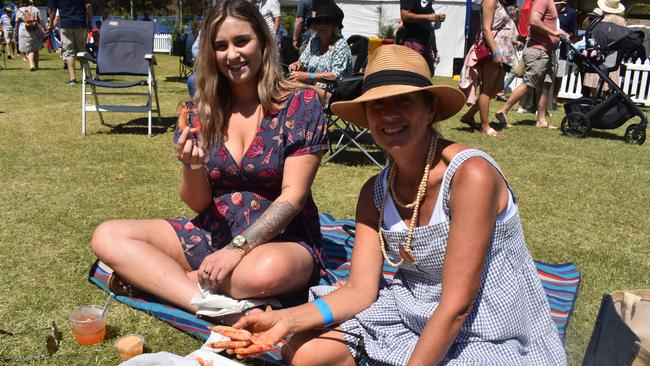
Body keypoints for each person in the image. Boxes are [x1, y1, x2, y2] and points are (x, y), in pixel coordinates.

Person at [231, 45, 567, 365]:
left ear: (430, 108)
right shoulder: (375, 193)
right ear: (365, 114)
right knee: (303, 351)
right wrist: (283, 319)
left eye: (403, 101)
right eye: (377, 104)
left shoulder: (470, 175)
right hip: (410, 310)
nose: (389, 114)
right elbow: (361, 291)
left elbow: (457, 306)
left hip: (486, 322)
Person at [91, 0, 329, 316]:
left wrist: (237, 250)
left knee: (265, 272)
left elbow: (293, 198)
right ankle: (210, 302)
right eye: (221, 46)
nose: (232, 54)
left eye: (242, 41)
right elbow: (199, 204)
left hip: (281, 240)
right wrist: (191, 165)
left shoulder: (300, 104)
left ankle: (162, 282)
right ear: (210, 54)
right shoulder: (199, 112)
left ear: (263, 41)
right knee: (108, 236)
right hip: (214, 228)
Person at [494, 0, 567, 129]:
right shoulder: (543, 0)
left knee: (546, 85)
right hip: (538, 51)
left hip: (547, 51)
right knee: (529, 83)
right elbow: (534, 21)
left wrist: (558, 31)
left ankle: (541, 120)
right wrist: (553, 32)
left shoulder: (550, 2)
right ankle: (502, 111)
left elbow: (545, 23)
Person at [459, 0, 516, 136]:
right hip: (492, 49)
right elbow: (486, 28)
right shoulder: (491, 1)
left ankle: (469, 116)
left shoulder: (504, 3)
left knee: (497, 88)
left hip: (503, 50)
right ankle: (485, 126)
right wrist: (496, 52)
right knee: (487, 88)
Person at [288, 3, 352, 104]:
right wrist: (296, 65)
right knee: (286, 87)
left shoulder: (340, 45)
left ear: (333, 26)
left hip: (335, 93)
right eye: (319, 22)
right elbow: (302, 61)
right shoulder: (314, 40)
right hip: (313, 88)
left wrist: (308, 76)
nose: (322, 25)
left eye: (327, 22)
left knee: (296, 89)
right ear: (315, 26)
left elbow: (335, 75)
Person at [48, 0, 93, 84]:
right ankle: (85, 76)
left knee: (68, 51)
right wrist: (90, 20)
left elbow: (53, 9)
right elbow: (88, 6)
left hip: (66, 24)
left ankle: (73, 78)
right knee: (82, 50)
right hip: (80, 23)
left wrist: (50, 24)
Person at [400, 0, 445, 76]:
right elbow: (404, 15)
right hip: (413, 43)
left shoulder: (428, 3)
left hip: (426, 44)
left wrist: (437, 18)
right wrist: (428, 17)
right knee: (414, 75)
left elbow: (430, 28)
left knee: (429, 74)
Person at [552, 0, 578, 108]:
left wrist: (566, 36)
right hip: (549, 44)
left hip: (562, 47)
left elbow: (572, 31)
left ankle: (554, 98)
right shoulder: (550, 10)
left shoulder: (571, 13)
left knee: (559, 74)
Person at [15, 0, 45, 71]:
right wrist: (45, 27)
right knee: (35, 49)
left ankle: (31, 64)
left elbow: (17, 22)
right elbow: (41, 20)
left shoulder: (19, 10)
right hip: (35, 29)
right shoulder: (35, 9)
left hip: (24, 30)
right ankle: (37, 66)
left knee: (28, 49)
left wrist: (16, 30)